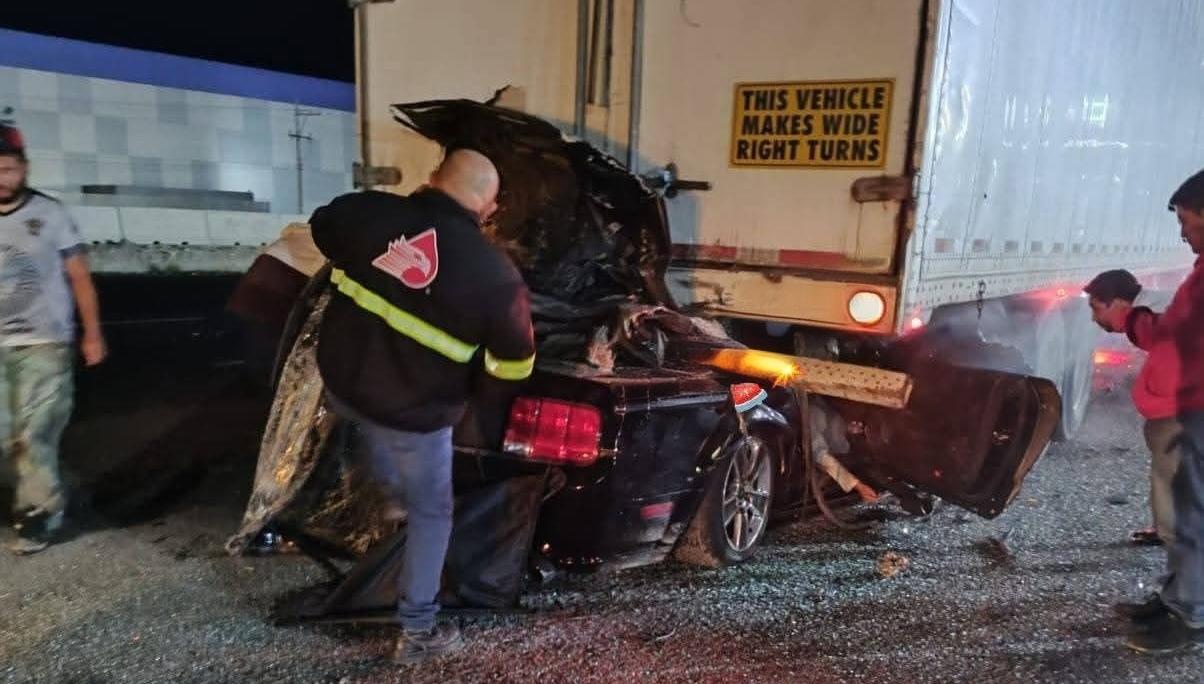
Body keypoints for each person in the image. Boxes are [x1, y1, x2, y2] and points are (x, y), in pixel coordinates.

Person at [309, 148, 535, 665]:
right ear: (489, 206)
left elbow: (324, 225)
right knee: (434, 512)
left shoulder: (369, 213)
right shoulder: (495, 276)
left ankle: (390, 500)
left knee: (375, 443)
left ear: (432, 178)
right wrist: (478, 405)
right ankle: (417, 632)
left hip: (345, 388)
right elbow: (515, 364)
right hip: (416, 415)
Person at [1092, 169, 1204, 654]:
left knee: (1189, 514)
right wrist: (1137, 322)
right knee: (1176, 512)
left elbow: (1183, 338)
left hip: (1193, 411)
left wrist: (1133, 320)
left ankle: (1190, 617)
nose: (1182, 232)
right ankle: (1177, 597)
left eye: (1187, 220)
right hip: (1182, 411)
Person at [0, 124, 106, 555]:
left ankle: (39, 517)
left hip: (46, 343)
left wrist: (92, 334)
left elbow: (79, 276)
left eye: (8, 168)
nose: (1, 177)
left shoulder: (51, 214)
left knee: (34, 434)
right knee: (7, 437)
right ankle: (45, 491)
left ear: (23, 169)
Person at [1084, 269, 1176, 548]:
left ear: (1119, 303)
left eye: (1097, 308)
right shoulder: (1152, 313)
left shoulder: (1150, 317)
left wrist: (1158, 401)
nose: (1094, 318)